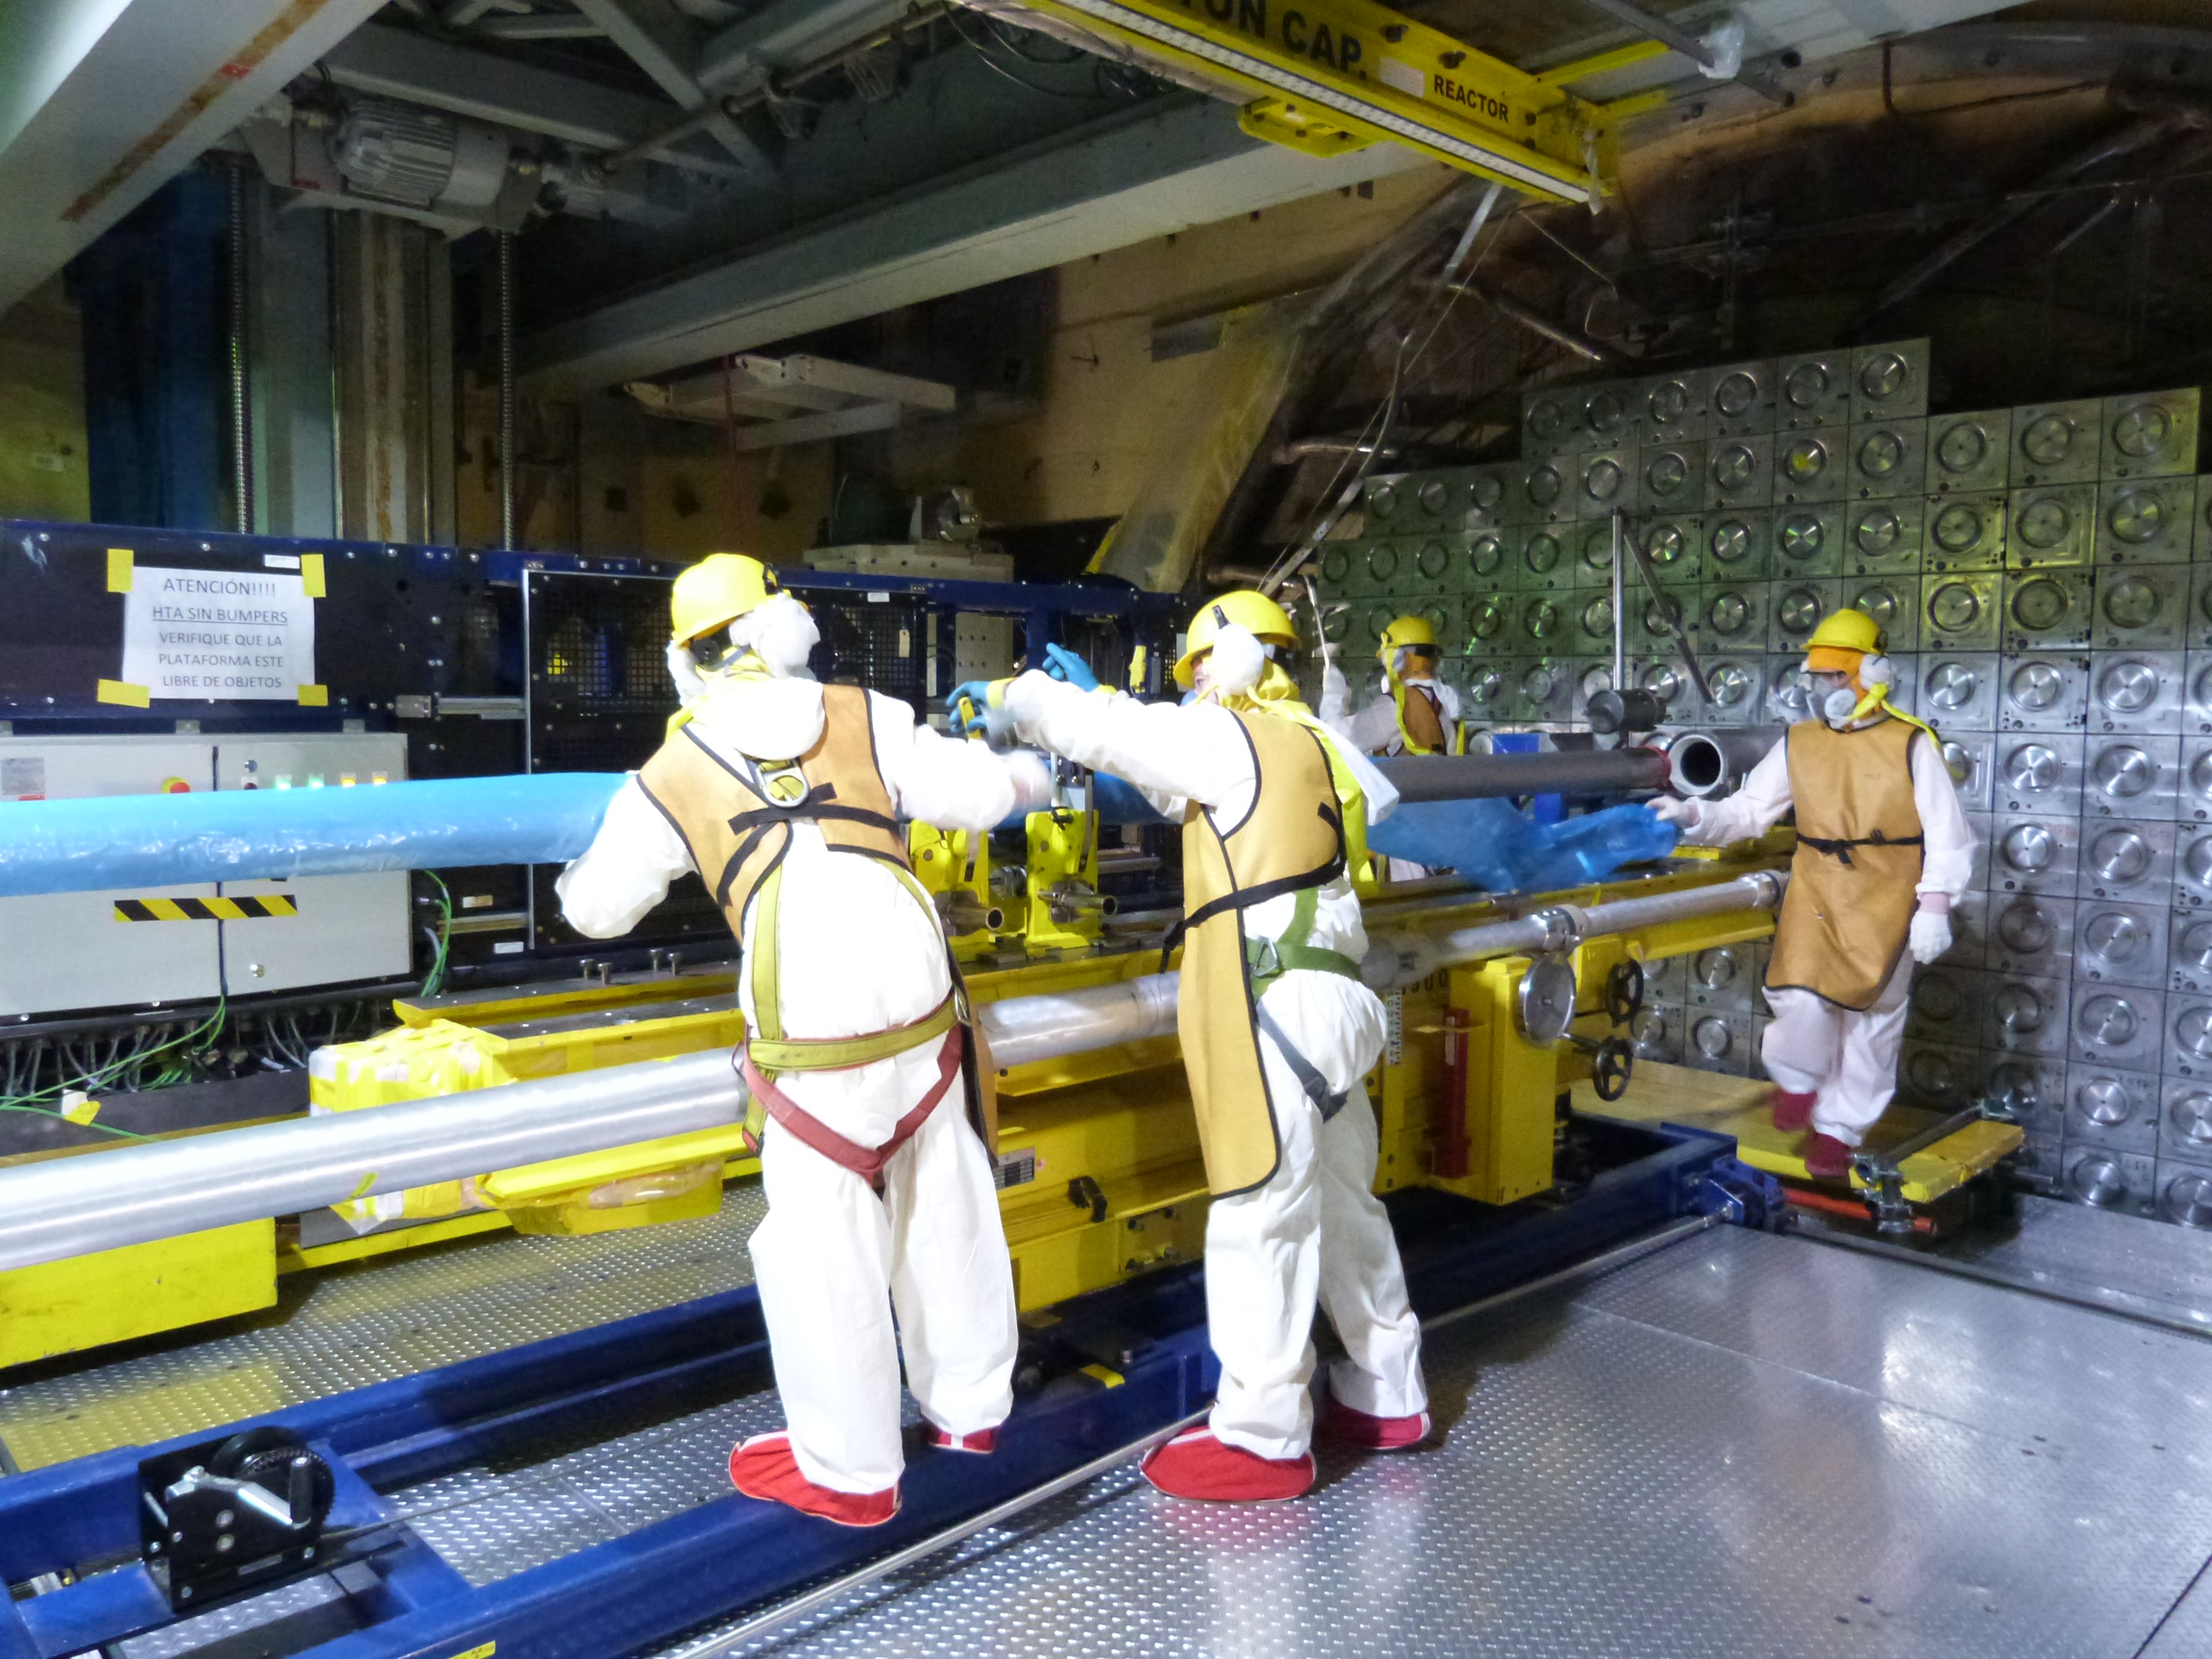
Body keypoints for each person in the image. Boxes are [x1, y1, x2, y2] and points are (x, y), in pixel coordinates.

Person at [557, 552, 1051, 1526]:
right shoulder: (866, 714)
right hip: (923, 1025)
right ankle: (971, 1412)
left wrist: (590, 862)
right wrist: (1032, 774)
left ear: (687, 658)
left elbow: (599, 912)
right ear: (778, 627)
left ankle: (853, 1472)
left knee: (822, 1251)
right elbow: (982, 796)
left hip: (813, 1052)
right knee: (946, 1206)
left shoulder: (671, 772)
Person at [959, 591, 1428, 1503]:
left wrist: (1021, 699)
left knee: (1261, 1214)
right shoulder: (1316, 743)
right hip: (1337, 1002)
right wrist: (1107, 702)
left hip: (1274, 1006)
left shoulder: (1229, 735)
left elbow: (1116, 738)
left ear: (1223, 660)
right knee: (1345, 1208)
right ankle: (1389, 1390)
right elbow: (1179, 782)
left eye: (1197, 667)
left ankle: (1262, 1439)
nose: (1195, 684)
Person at [1648, 608, 1975, 1177]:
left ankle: (1839, 1129)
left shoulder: (1910, 743)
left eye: (1836, 676)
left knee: (1872, 1013)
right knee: (1796, 991)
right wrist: (1693, 815)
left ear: (1873, 674)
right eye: (1817, 677)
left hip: (1888, 886)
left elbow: (1948, 832)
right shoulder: (1798, 742)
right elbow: (1750, 810)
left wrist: (1935, 904)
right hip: (1818, 881)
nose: (1824, 689)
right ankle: (1799, 1082)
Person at [1318, 613, 1465, 881]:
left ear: (1400, 656)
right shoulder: (1443, 704)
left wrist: (1334, 694)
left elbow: (1335, 738)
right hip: (1442, 832)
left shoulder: (1397, 706)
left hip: (1406, 839)